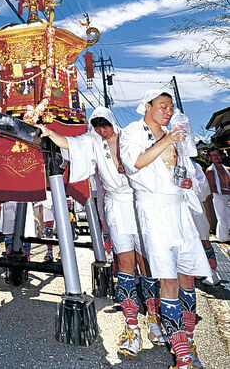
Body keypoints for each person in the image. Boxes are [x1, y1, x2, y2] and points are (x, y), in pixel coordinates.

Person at [40, 106, 166, 357]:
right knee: (125, 261)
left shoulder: (130, 136)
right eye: (96, 125)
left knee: (148, 262)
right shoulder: (93, 141)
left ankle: (154, 318)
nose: (101, 130)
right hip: (117, 204)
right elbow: (70, 143)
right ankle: (131, 326)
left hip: (141, 201)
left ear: (111, 122)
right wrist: (48, 132)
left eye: (104, 124)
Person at [120, 89, 210, 369]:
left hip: (179, 210)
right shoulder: (133, 131)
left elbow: (184, 171)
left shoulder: (176, 133)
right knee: (167, 280)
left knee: (188, 278)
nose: (168, 110)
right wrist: (166, 140)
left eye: (170, 106)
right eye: (162, 105)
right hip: (154, 210)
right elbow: (135, 162)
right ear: (147, 106)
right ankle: (181, 354)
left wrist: (184, 179)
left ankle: (188, 339)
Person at [189, 159, 219, 285]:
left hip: (195, 208)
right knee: (188, 241)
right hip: (178, 209)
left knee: (204, 239)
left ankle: (212, 272)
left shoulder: (194, 166)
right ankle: (196, 270)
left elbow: (204, 189)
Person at [205, 147, 230, 243]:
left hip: (228, 195)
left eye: (218, 155)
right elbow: (212, 189)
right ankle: (224, 239)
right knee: (222, 218)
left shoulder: (228, 169)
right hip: (219, 197)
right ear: (210, 158)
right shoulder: (210, 171)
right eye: (214, 155)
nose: (217, 157)